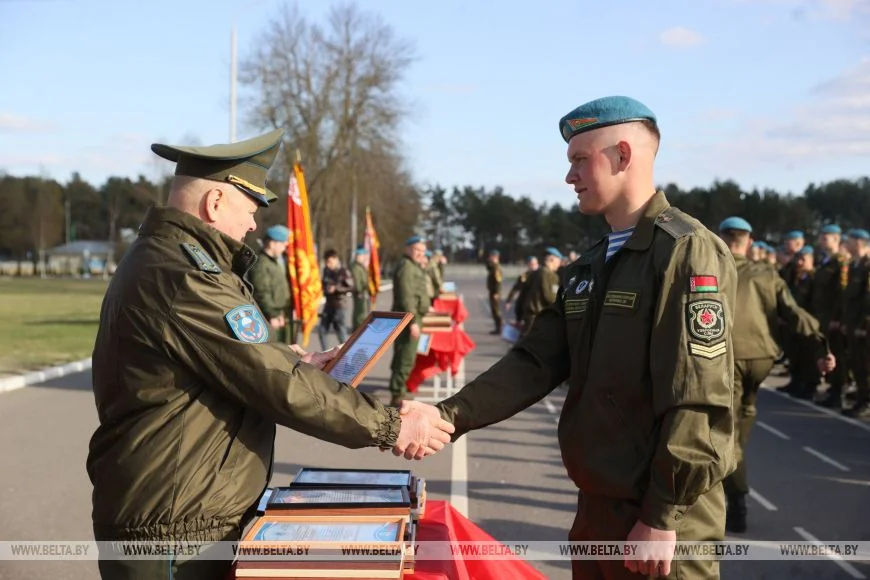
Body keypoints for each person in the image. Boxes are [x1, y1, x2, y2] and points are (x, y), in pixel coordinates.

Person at [86, 129, 455, 580]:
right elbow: (271, 380)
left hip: (181, 510)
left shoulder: (173, 261)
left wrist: (294, 361)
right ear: (215, 203)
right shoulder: (186, 276)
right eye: (250, 207)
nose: (253, 224)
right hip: (173, 529)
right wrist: (391, 426)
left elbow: (231, 360)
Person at [402, 96, 738, 579]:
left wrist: (661, 516)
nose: (570, 176)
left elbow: (700, 402)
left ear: (623, 156)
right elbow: (535, 363)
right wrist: (445, 416)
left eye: (581, 160)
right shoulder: (591, 264)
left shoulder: (685, 252)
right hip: (598, 509)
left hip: (662, 518)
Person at [716, 217, 834, 534]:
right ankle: (736, 467)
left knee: (730, 435)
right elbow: (794, 314)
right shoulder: (767, 273)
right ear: (750, 241)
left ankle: (736, 499)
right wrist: (822, 347)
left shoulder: (711, 270)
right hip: (761, 359)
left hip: (728, 359)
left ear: (720, 238)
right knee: (744, 418)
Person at [388, 236, 430, 406]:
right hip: (408, 318)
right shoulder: (407, 268)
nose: (420, 253)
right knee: (405, 356)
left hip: (413, 317)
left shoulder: (414, 266)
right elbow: (406, 296)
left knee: (406, 355)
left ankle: (399, 389)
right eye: (416, 250)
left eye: (422, 250)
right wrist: (412, 321)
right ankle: (398, 394)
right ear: (407, 250)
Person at [813, 225, 850, 409]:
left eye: (826, 237)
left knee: (838, 355)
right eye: (821, 237)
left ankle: (839, 392)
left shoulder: (840, 261)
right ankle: (833, 389)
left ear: (836, 239)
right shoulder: (825, 261)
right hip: (823, 316)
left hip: (833, 317)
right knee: (828, 352)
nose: (822, 240)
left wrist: (838, 317)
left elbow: (841, 292)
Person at [841, 228, 870, 418]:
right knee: (857, 364)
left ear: (859, 242)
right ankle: (861, 399)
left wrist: (863, 325)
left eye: (849, 241)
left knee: (866, 366)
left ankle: (866, 402)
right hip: (853, 324)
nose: (846, 245)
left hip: (863, 327)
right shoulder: (855, 265)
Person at [249, 224, 292, 343]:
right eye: (283, 244)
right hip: (269, 318)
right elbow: (261, 293)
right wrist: (273, 315)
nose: (284, 248)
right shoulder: (261, 264)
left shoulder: (273, 262)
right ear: (272, 244)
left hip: (279, 315)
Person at [519, 247, 562, 334]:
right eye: (558, 261)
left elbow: (523, 293)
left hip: (530, 315)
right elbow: (550, 297)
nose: (559, 264)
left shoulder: (535, 273)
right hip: (538, 316)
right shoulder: (550, 275)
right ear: (552, 259)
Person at [317, 248, 353, 349]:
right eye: (326, 262)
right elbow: (322, 284)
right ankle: (325, 354)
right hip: (328, 306)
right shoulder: (326, 271)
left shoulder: (343, 271)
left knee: (341, 332)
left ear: (336, 259)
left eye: (330, 262)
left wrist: (336, 288)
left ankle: (345, 354)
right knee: (322, 330)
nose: (328, 265)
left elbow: (351, 286)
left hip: (340, 306)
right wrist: (325, 288)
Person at [349, 246, 371, 331]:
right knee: (360, 312)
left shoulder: (359, 266)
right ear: (358, 256)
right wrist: (359, 291)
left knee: (361, 311)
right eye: (363, 256)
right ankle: (358, 328)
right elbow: (357, 281)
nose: (364, 258)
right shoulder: (356, 267)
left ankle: (359, 327)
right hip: (360, 293)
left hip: (362, 292)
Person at [485, 249, 503, 334]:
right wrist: (489, 261)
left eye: (491, 256)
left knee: (496, 310)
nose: (490, 258)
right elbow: (488, 267)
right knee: (494, 310)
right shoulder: (493, 267)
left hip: (495, 292)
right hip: (492, 291)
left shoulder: (497, 268)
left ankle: (499, 328)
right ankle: (497, 327)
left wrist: (497, 293)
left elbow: (498, 282)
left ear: (495, 257)